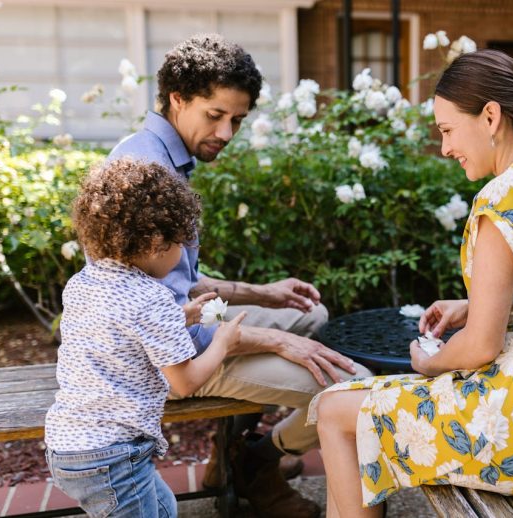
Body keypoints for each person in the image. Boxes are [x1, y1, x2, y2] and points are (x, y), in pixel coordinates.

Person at [309, 49, 513, 517]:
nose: (444, 147)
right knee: (353, 409)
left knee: (334, 410)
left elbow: (482, 346)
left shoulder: (501, 197)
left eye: (447, 130)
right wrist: (470, 305)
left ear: (490, 117)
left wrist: (432, 362)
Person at [107, 33, 369, 517]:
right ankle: (259, 460)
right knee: (351, 387)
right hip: (167, 360)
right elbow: (163, 323)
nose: (227, 134)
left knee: (310, 315)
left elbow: (181, 283)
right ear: (177, 98)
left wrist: (263, 295)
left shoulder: (161, 154)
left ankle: (232, 459)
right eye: (216, 116)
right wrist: (274, 343)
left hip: (181, 327)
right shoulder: (145, 168)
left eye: (238, 120)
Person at [45, 159, 247, 517]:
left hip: (69, 445)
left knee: (164, 507)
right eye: (180, 245)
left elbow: (118, 331)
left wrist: (179, 318)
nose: (183, 254)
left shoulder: (82, 283)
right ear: (156, 244)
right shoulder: (151, 299)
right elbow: (184, 383)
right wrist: (222, 343)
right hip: (114, 457)